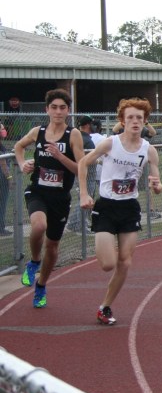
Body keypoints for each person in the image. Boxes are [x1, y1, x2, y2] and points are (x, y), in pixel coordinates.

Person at [77, 99, 162, 326]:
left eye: (139, 118)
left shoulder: (149, 150)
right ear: (122, 121)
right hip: (106, 207)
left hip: (129, 208)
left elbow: (158, 184)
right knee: (108, 264)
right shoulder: (110, 143)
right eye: (130, 117)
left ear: (145, 121)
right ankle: (106, 245)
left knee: (125, 262)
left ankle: (105, 306)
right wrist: (84, 194)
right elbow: (83, 163)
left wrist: (156, 186)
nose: (135, 121)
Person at [13, 89, 86, 308]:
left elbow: (80, 168)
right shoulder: (38, 131)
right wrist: (22, 163)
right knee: (39, 225)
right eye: (54, 107)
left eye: (62, 107)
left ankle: (41, 285)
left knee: (53, 246)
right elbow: (18, 146)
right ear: (47, 110)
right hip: (37, 191)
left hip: (60, 198)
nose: (58, 111)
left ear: (68, 110)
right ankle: (34, 261)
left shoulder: (73, 134)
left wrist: (59, 156)